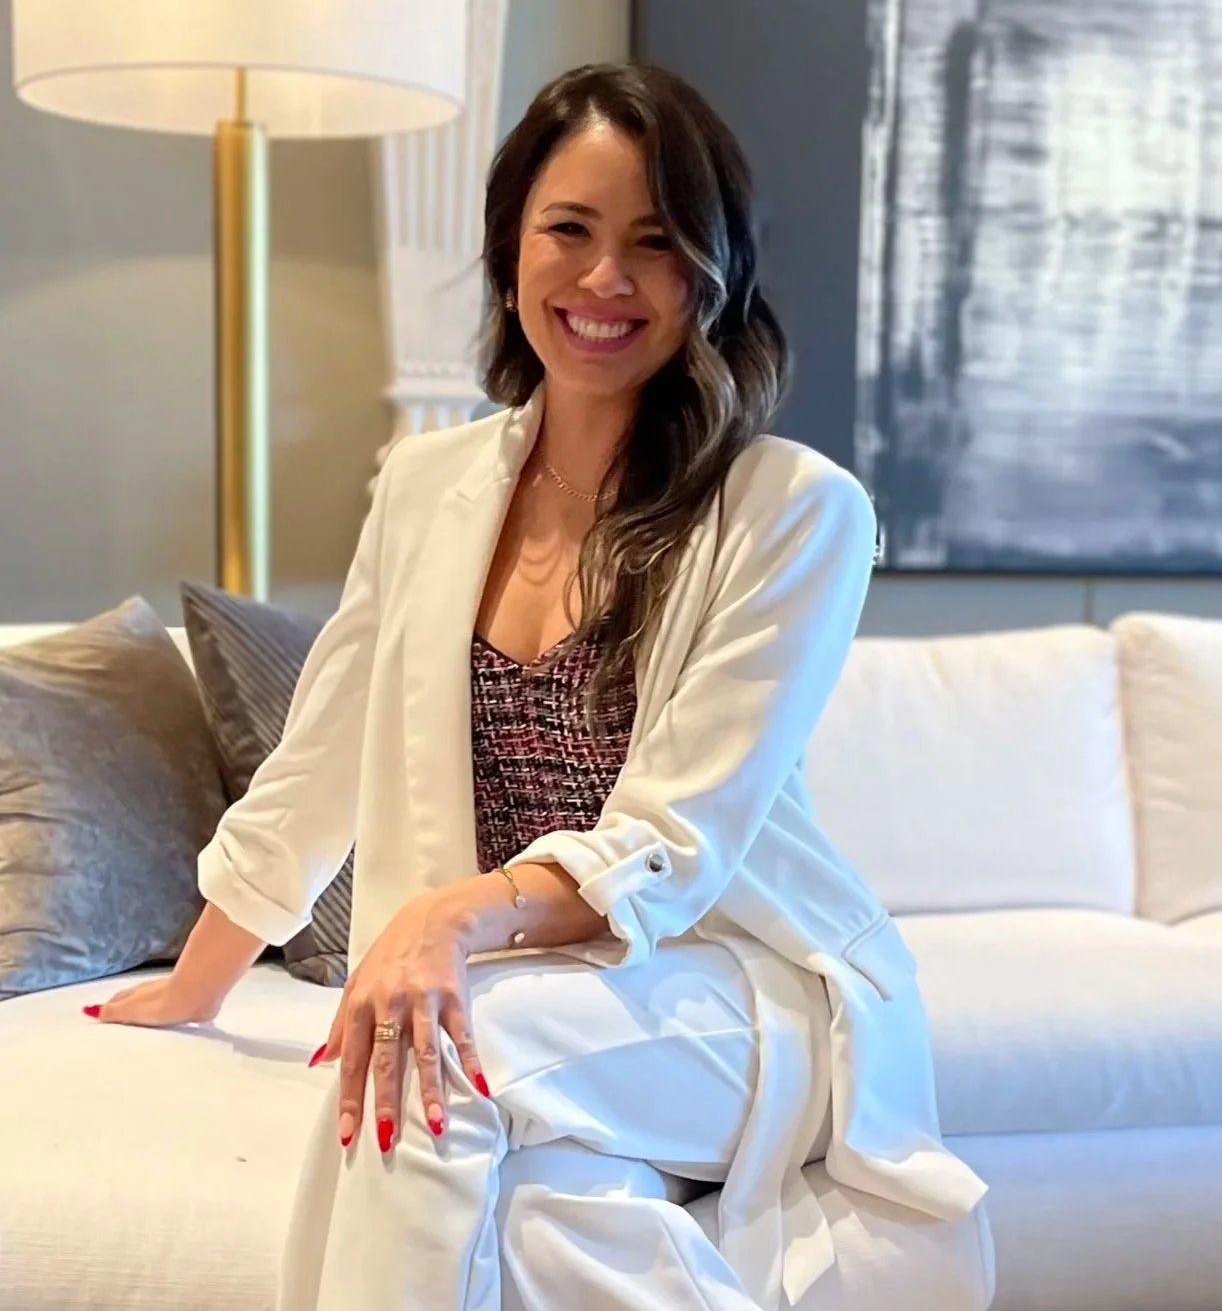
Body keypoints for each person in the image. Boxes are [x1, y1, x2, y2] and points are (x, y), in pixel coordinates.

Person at [87, 63, 988, 1311]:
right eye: (569, 229)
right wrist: (196, 980)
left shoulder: (795, 512)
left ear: (710, 276)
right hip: (521, 989)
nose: (604, 280)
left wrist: (449, 917)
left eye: (655, 243)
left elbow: (674, 845)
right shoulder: (425, 482)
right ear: (512, 245)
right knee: (559, 1223)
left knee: (436, 1054)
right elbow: (325, 750)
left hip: (729, 990)